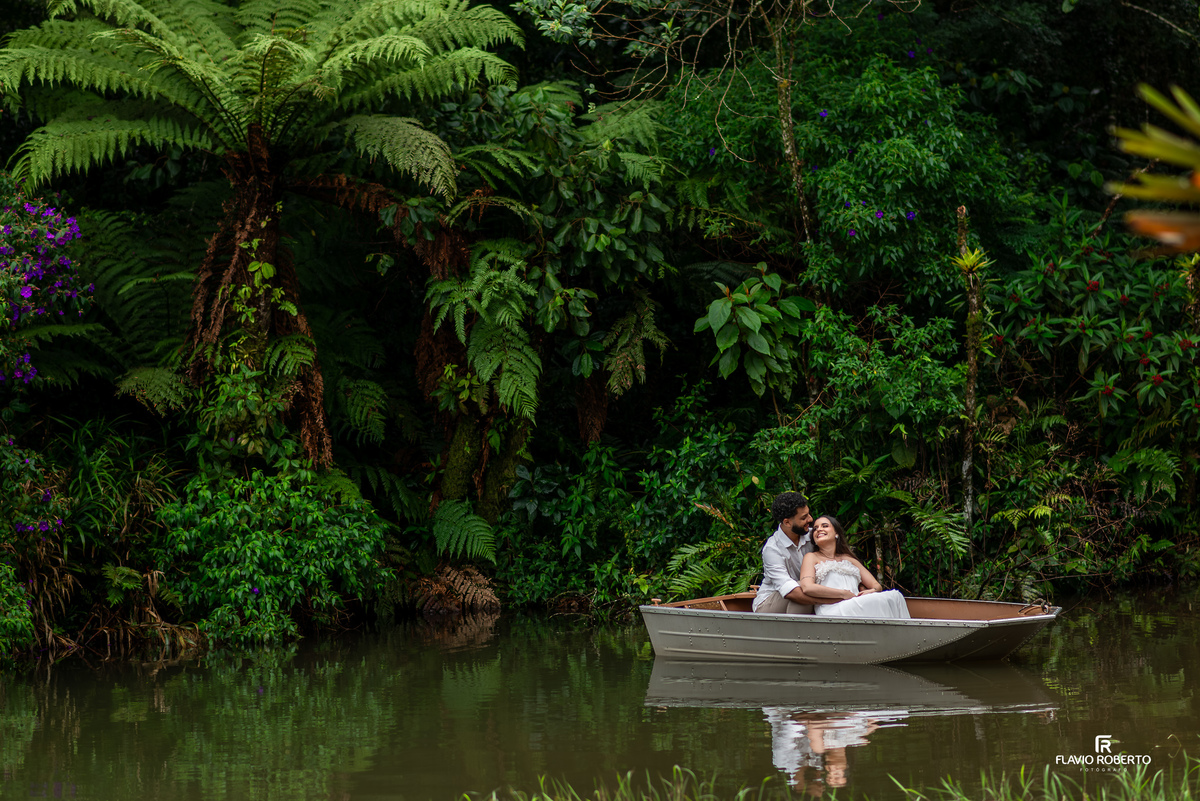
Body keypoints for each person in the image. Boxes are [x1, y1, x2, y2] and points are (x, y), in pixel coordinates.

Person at [799, 516, 910, 619]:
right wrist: (843, 594)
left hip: (855, 602)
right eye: (815, 528)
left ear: (836, 533)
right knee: (879, 600)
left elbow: (876, 585)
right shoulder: (811, 557)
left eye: (825, 526)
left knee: (895, 596)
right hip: (833, 608)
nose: (818, 529)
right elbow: (807, 587)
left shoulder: (848, 559)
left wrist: (871, 591)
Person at [753, 492, 826, 614]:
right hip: (768, 604)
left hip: (801, 594)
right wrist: (829, 600)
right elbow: (790, 591)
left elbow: (841, 557)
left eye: (808, 514)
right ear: (787, 522)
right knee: (803, 588)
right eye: (804, 518)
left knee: (806, 587)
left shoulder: (814, 536)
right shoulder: (772, 549)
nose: (810, 519)